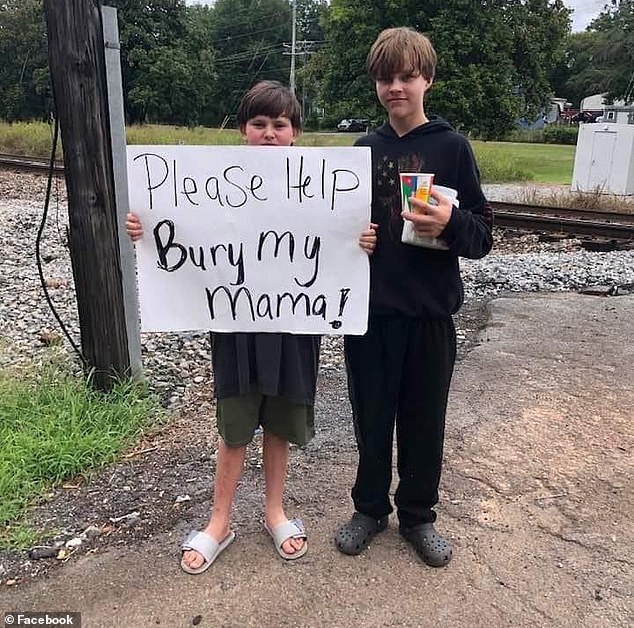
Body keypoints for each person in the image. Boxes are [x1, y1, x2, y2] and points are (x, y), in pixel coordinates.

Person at [126, 80, 377, 574]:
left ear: (295, 133)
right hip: (237, 325)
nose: (268, 133)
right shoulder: (216, 180)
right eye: (259, 124)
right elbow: (186, 230)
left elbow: (340, 241)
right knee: (236, 424)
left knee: (280, 423)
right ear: (243, 130)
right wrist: (146, 230)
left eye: (279, 125)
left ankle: (274, 511)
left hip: (294, 323)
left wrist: (360, 241)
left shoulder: (320, 185)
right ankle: (219, 521)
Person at [335, 27, 493, 567]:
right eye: (385, 77)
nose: (395, 86)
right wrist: (353, 240)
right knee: (370, 415)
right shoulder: (362, 151)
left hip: (429, 314)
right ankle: (370, 507)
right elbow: (337, 230)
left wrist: (451, 221)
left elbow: (483, 236)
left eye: (406, 76)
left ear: (427, 78)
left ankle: (419, 515)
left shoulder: (452, 147)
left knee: (425, 420)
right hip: (371, 313)